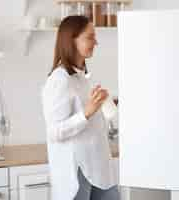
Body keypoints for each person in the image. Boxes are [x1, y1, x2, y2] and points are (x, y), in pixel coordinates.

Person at [41, 15, 120, 200]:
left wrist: (102, 105)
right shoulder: (59, 80)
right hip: (77, 172)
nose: (96, 42)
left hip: (100, 167)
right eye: (90, 37)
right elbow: (55, 132)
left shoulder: (83, 76)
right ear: (72, 40)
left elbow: (90, 116)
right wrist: (88, 111)